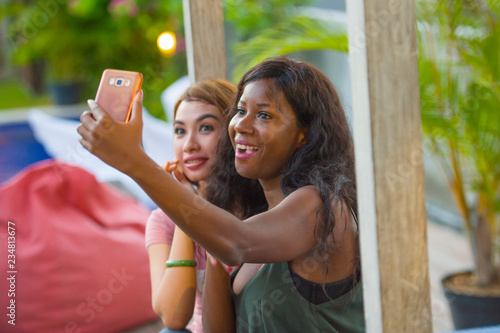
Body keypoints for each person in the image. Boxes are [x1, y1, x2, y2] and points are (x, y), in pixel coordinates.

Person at [78, 57, 365, 332]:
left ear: (304, 135)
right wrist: (208, 203)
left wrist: (134, 161)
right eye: (240, 111)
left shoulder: (322, 204)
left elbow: (236, 243)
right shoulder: (257, 215)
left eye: (264, 115)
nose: (241, 125)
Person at [145, 79, 237, 333]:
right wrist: (185, 207)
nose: (189, 145)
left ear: (234, 133)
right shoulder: (163, 220)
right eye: (180, 131)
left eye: (205, 128)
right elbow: (174, 318)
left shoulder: (256, 207)